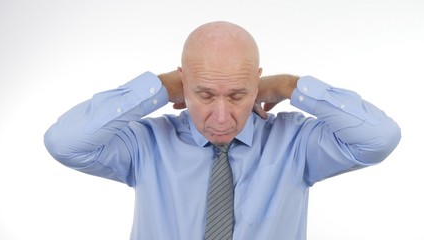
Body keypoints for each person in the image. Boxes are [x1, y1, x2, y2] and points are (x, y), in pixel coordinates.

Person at [44, 21, 401, 240]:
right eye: (204, 94)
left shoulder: (296, 143)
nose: (221, 117)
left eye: (237, 95)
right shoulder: (145, 144)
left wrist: (292, 86)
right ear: (184, 83)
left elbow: (379, 138)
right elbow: (65, 143)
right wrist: (159, 87)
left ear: (256, 83)